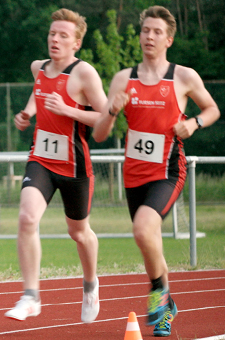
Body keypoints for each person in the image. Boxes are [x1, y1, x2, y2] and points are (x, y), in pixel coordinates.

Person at [93, 5, 220, 337]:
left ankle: (158, 296)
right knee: (147, 237)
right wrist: (111, 111)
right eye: (145, 30)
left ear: (169, 39)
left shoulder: (183, 76)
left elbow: (212, 109)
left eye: (156, 32)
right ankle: (168, 303)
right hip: (133, 175)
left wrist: (194, 123)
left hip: (168, 171)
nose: (149, 36)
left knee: (142, 229)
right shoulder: (124, 78)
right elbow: (100, 134)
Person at [5, 8, 108, 323]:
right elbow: (39, 92)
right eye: (52, 33)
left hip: (74, 164)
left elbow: (106, 119)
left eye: (64, 35)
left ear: (76, 43)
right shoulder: (39, 67)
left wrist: (69, 110)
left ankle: (91, 284)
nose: (55, 39)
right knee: (26, 218)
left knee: (78, 232)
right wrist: (26, 114)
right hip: (41, 159)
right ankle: (31, 296)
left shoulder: (84, 74)